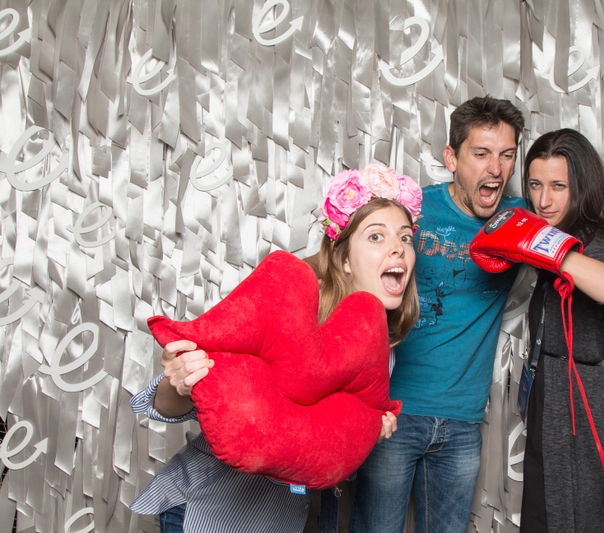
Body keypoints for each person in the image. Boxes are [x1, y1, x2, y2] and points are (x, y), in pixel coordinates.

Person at [349, 97, 604, 533]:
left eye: (507, 155)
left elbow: (573, 220)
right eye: (481, 153)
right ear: (451, 158)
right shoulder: (410, 213)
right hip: (390, 412)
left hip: (462, 422)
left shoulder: (522, 218)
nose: (496, 168)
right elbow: (344, 263)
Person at [128, 164, 421, 533]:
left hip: (281, 520)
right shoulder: (289, 307)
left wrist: (366, 432)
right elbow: (164, 406)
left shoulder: (379, 349)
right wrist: (180, 382)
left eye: (405, 238)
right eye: (376, 236)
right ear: (344, 258)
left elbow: (320, 450)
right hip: (206, 511)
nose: (397, 249)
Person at [472, 128, 604, 532]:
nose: (543, 200)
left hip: (575, 399)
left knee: (571, 516)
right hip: (549, 387)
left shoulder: (585, 246)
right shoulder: (576, 233)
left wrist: (546, 246)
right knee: (546, 511)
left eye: (558, 186)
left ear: (580, 187)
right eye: (535, 185)